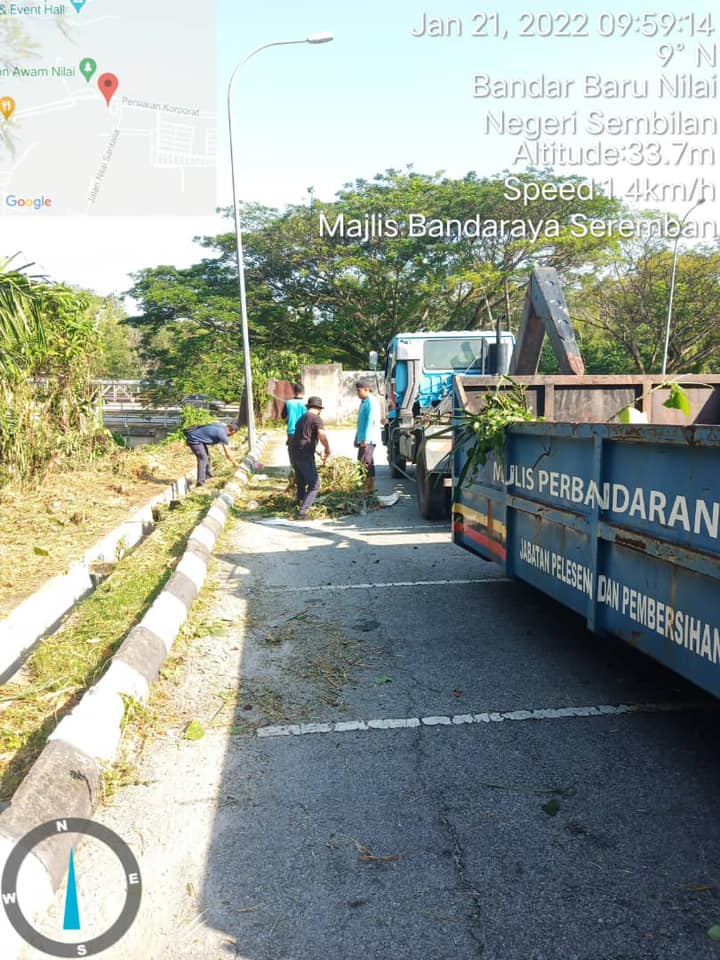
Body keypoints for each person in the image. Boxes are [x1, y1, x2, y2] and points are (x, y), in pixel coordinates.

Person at [291, 396, 330, 518]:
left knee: (301, 482)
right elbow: (322, 435)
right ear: (319, 409)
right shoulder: (316, 419)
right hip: (304, 455)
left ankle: (299, 504)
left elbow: (304, 437)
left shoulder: (302, 419)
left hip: (295, 453)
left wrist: (318, 452)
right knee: (315, 484)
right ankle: (303, 512)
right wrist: (327, 448)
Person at [184, 421, 239, 487]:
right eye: (233, 434)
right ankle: (200, 482)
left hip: (199, 439)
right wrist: (235, 463)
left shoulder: (221, 426)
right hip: (194, 439)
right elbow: (228, 454)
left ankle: (207, 477)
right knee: (203, 459)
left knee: (208, 457)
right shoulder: (223, 434)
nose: (231, 436)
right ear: (233, 432)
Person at [355, 378, 381, 493]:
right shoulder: (364, 402)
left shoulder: (371, 401)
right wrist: (357, 438)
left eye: (359, 390)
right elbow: (361, 422)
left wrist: (365, 438)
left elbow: (370, 421)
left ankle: (368, 486)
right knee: (365, 460)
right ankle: (369, 486)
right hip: (363, 438)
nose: (357, 393)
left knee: (365, 462)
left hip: (369, 438)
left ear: (366, 389)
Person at [282, 382, 306, 481]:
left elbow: (283, 417)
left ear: (294, 392)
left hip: (291, 432)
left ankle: (295, 474)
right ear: (303, 392)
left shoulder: (288, 403)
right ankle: (303, 475)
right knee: (303, 454)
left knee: (293, 454)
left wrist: (290, 419)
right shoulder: (306, 404)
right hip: (303, 433)